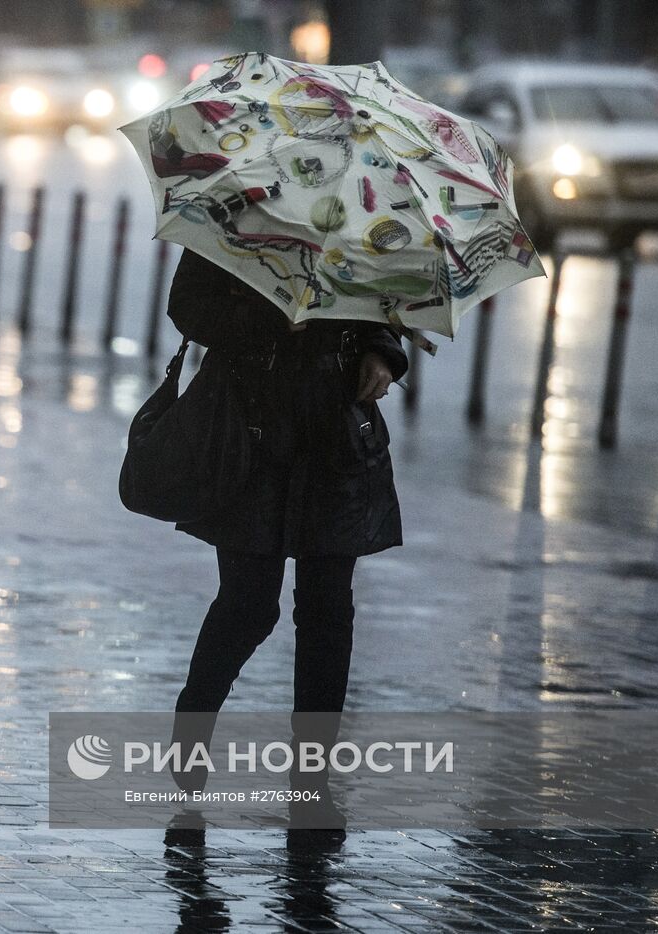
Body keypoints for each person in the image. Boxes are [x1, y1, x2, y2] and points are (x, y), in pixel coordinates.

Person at [165, 247, 408, 849]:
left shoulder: (366, 210)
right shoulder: (240, 201)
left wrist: (382, 353)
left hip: (336, 435)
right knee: (249, 605)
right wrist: (271, 322)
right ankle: (188, 762)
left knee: (328, 612)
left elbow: (381, 303)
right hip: (251, 431)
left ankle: (311, 787)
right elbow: (189, 306)